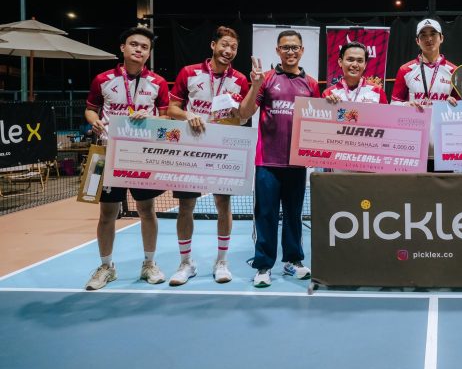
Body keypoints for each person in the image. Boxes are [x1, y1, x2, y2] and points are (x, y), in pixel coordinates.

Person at [83, 26, 170, 290]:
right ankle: (106, 267)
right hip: (109, 154)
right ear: (123, 48)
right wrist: (95, 121)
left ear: (149, 53)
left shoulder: (158, 83)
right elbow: (90, 110)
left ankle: (149, 263)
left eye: (144, 47)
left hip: (142, 155)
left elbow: (167, 116)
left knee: (147, 210)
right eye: (134, 44)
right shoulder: (103, 79)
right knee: (108, 213)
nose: (138, 50)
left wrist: (152, 117)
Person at [166, 26, 250, 285]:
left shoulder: (240, 80)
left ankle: (221, 261)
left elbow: (244, 117)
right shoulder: (189, 73)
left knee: (223, 204)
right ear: (213, 45)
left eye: (234, 47)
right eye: (224, 44)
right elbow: (172, 108)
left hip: (222, 151)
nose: (228, 51)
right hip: (190, 149)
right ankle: (185, 263)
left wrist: (234, 116)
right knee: (186, 206)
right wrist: (187, 114)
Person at [239, 29, 321, 288]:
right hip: (267, 162)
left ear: (302, 51)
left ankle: (293, 261)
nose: (290, 51)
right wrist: (254, 86)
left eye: (295, 47)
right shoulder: (265, 79)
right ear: (277, 50)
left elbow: (319, 120)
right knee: (266, 214)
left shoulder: (311, 83)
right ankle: (263, 265)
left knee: (294, 215)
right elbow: (244, 112)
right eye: (285, 47)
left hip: (296, 162)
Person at [391, 18, 458, 107]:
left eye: (433, 34)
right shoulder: (405, 70)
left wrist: (455, 104)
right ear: (417, 41)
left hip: (441, 120)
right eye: (423, 35)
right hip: (415, 120)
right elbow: (393, 104)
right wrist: (406, 105)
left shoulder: (454, 71)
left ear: (441, 38)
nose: (429, 39)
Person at [323, 41, 388, 104]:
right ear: (340, 62)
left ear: (365, 65)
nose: (354, 64)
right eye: (350, 60)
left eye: (360, 61)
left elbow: (387, 114)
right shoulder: (329, 93)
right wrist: (328, 106)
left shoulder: (377, 91)